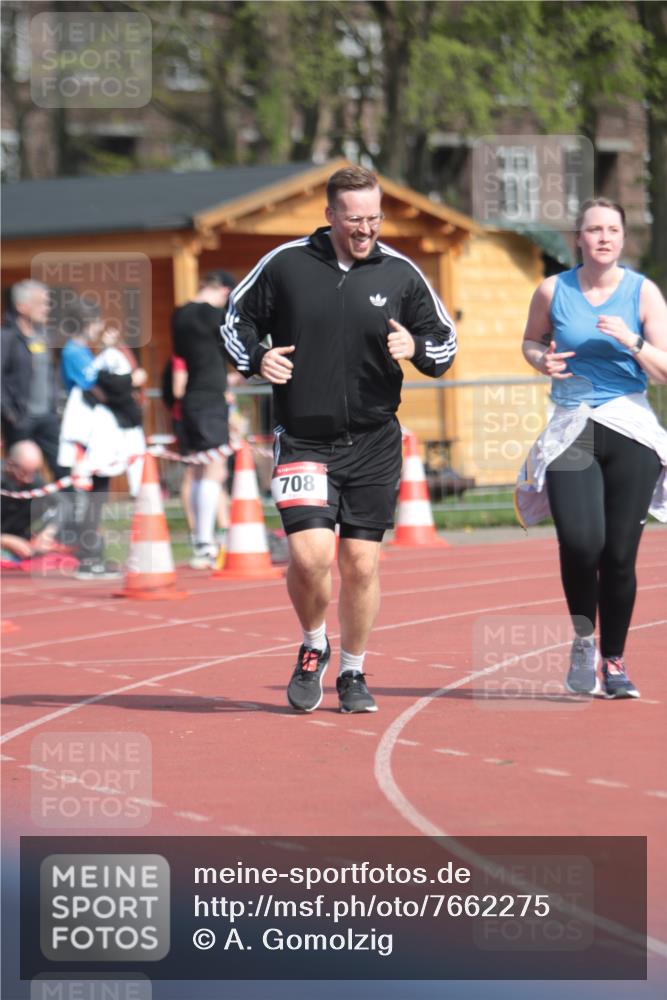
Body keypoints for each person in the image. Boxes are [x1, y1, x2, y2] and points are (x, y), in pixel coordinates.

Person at [222, 165, 457, 713]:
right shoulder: (285, 265)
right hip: (304, 436)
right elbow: (235, 321)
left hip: (375, 440)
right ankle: (313, 645)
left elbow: (443, 341)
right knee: (309, 557)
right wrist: (257, 358)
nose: (365, 229)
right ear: (329, 216)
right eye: (354, 219)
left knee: (361, 564)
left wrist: (417, 351)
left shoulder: (400, 273)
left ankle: (353, 670)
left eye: (373, 218)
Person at [517, 197, 667, 699]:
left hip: (629, 424)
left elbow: (665, 370)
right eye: (594, 230)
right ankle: (584, 640)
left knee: (620, 555)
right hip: (573, 426)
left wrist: (632, 341)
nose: (603, 237)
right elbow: (531, 341)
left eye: (612, 230)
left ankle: (615, 660)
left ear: (623, 238)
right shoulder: (552, 289)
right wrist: (542, 361)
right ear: (578, 238)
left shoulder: (644, 293)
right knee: (581, 544)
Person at [58, 300, 147, 579]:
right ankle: (87, 558)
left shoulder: (84, 350)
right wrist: (128, 384)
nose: (98, 327)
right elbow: (97, 388)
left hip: (96, 431)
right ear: (86, 323)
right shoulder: (74, 351)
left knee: (99, 492)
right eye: (96, 322)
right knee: (88, 494)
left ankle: (93, 553)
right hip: (82, 432)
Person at [171, 270, 236, 569]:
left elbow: (182, 354)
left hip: (192, 398)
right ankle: (205, 542)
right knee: (215, 469)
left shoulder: (179, 315)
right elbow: (233, 346)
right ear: (223, 291)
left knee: (198, 468)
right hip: (210, 397)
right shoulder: (215, 316)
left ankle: (201, 537)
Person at [1, 280, 67, 478]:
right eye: (42, 303)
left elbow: (51, 374)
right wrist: (10, 414)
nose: (47, 308)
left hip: (48, 417)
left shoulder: (43, 336)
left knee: (64, 469)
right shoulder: (6, 337)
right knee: (24, 475)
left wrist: (57, 404)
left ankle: (72, 510)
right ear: (22, 306)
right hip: (20, 420)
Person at [0, 440, 58, 561]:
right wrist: (5, 540)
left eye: (34, 472)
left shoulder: (35, 482)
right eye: (24, 472)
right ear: (10, 464)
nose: (29, 479)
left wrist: (48, 532)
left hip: (19, 541)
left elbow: (62, 505)